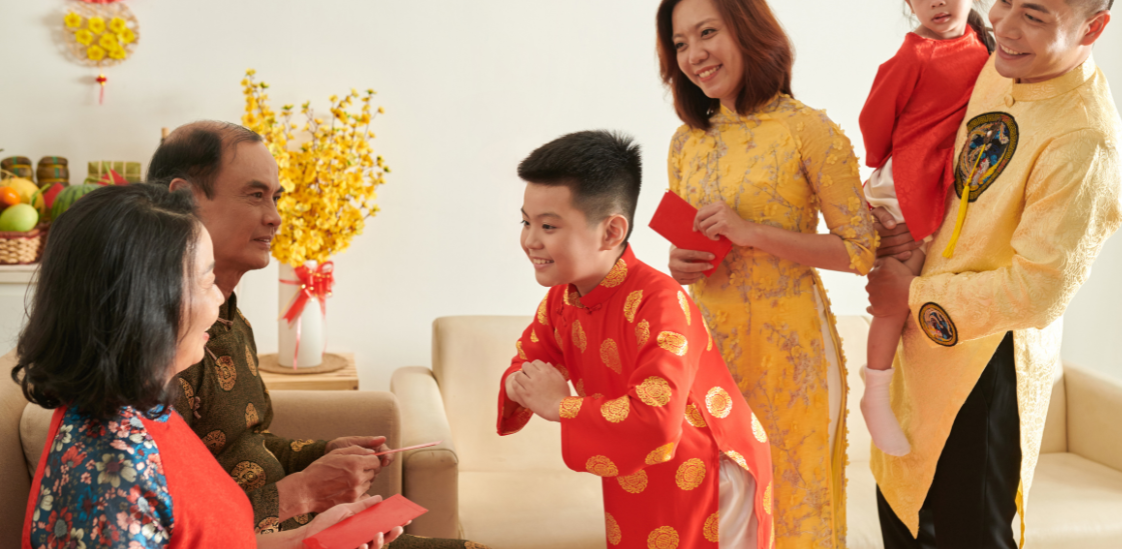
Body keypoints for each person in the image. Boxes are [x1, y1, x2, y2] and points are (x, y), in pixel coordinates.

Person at [866, 0, 1122, 547]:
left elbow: (1037, 292)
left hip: (987, 373)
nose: (1005, 27)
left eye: (1035, 16)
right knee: (899, 510)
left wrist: (912, 296)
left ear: (1092, 28)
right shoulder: (999, 65)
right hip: (919, 348)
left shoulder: (1087, 141)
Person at [148, 122, 484, 548]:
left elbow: (245, 443)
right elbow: (178, 527)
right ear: (185, 198)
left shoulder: (231, 319)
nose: (275, 217)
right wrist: (303, 493)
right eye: (255, 195)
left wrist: (320, 454)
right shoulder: (161, 348)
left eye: (275, 197)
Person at [13, 183, 401, 549]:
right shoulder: (113, 471)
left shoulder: (149, 410)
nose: (218, 298)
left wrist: (307, 539)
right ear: (147, 305)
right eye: (205, 281)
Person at [659, 0, 876, 547]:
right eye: (680, 43)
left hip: (792, 354)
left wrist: (753, 232)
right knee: (715, 515)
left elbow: (861, 250)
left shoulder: (810, 131)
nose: (694, 55)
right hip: (709, 353)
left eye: (707, 33)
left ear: (748, 29)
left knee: (795, 511)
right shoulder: (685, 143)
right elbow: (691, 241)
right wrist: (680, 262)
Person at [497, 130, 774, 549]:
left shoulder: (660, 302)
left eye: (548, 226)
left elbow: (655, 419)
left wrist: (559, 405)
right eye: (526, 222)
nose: (530, 240)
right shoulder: (561, 299)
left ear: (611, 232)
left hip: (709, 470)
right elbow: (525, 364)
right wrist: (525, 386)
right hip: (637, 469)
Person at [857, 0, 992, 457]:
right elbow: (873, 124)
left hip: (944, 184)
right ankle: (875, 393)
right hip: (908, 184)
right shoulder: (914, 54)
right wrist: (894, 158)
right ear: (907, 0)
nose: (935, 1)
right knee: (896, 287)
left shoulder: (986, 47)